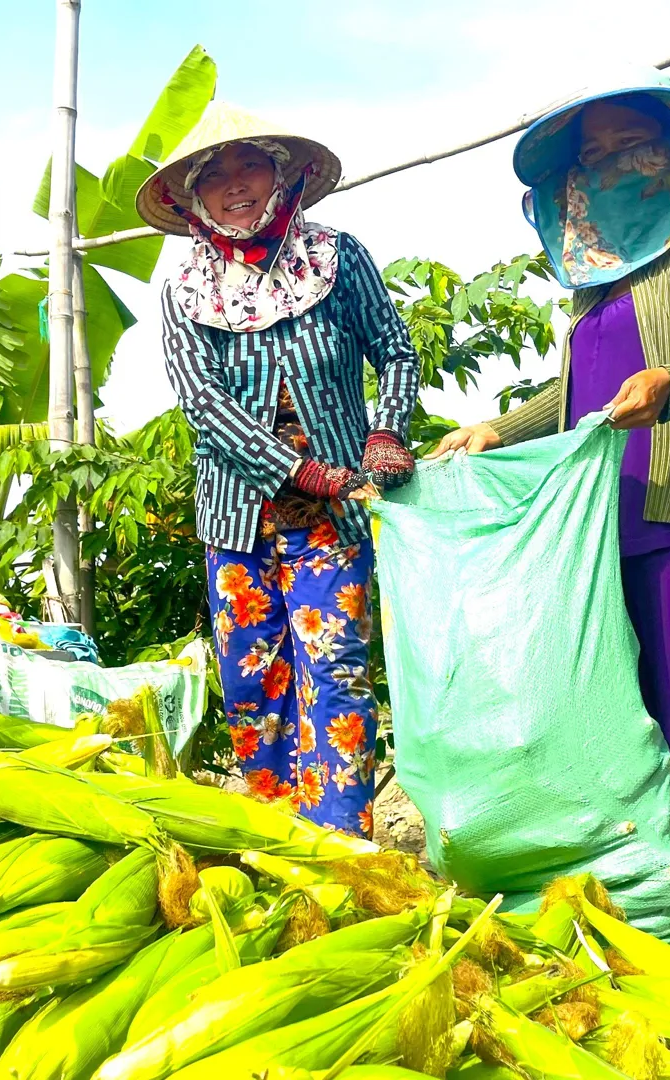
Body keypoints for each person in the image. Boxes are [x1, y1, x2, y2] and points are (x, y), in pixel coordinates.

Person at [433, 70, 670, 944]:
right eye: (593, 154)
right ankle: (645, 908)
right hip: (602, 523)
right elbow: (581, 396)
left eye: (627, 144)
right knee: (621, 719)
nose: (610, 162)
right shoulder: (596, 278)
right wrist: (494, 430)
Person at [137, 103, 421, 838]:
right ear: (193, 199)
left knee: (336, 674)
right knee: (253, 684)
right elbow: (202, 405)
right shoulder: (185, 290)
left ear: (282, 175)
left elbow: (393, 349)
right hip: (239, 518)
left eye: (250, 166)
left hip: (335, 521)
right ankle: (273, 838)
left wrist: (385, 430)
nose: (236, 185)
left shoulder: (334, 256)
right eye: (216, 175)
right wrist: (307, 472)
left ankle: (338, 844)